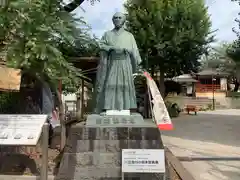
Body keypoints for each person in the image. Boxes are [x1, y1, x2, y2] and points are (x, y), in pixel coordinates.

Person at [93, 12, 142, 113]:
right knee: (110, 84)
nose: (117, 19)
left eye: (120, 17)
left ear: (123, 20)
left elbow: (135, 51)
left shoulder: (129, 36)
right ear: (113, 20)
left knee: (125, 85)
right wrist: (111, 48)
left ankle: (125, 107)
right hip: (112, 63)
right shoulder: (107, 34)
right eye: (115, 18)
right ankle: (109, 107)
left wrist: (135, 61)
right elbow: (101, 45)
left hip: (125, 64)